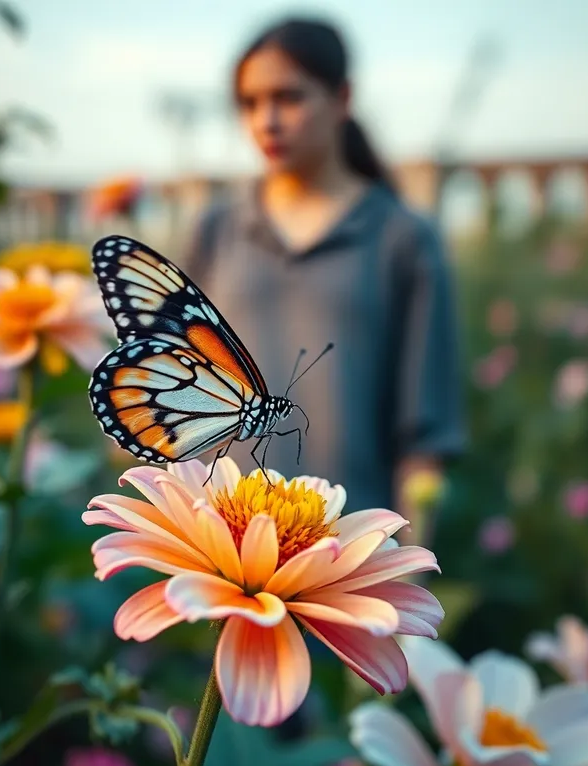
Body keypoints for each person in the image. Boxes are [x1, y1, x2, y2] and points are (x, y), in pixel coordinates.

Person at [182, 16, 466, 534]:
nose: (267, 120)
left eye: (288, 97)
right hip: (217, 541)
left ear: (342, 98)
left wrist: (407, 570)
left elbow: (424, 434)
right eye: (249, 103)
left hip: (350, 548)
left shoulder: (403, 237)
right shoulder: (216, 229)